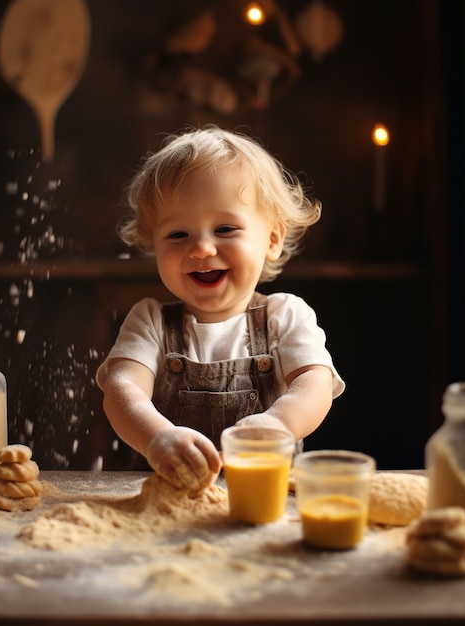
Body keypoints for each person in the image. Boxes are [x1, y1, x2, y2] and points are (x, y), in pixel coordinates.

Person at [97, 125, 345, 495]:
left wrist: (277, 423)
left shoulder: (285, 316)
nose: (200, 249)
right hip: (169, 501)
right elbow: (121, 390)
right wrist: (157, 437)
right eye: (178, 234)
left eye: (225, 228)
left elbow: (316, 384)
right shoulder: (149, 320)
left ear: (272, 240)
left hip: (265, 498)